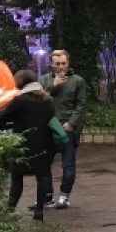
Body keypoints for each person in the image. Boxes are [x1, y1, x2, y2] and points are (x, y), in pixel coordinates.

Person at [0, 71, 56, 221]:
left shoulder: (20, 100)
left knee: (17, 177)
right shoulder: (47, 99)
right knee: (43, 176)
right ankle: (39, 211)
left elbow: (1, 119)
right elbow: (51, 118)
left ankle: (10, 210)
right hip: (45, 144)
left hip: (22, 145)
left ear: (21, 83)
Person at [38, 49, 86, 209]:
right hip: (48, 127)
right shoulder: (43, 80)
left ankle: (64, 196)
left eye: (63, 63)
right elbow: (38, 100)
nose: (61, 67)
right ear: (51, 64)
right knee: (44, 164)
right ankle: (47, 197)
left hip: (66, 128)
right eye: (57, 64)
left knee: (68, 164)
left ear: (68, 63)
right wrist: (53, 86)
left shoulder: (78, 81)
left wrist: (72, 123)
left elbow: (81, 105)